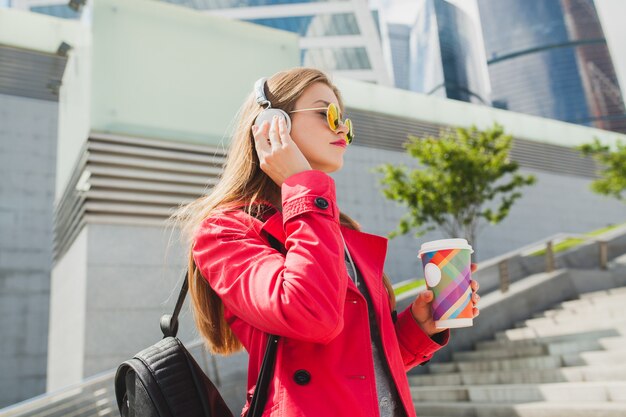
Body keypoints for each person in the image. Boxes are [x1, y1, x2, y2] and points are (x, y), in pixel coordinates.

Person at [175, 67, 480, 417]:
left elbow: (353, 363)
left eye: (345, 122)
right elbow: (310, 316)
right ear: (274, 124)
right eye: (327, 114)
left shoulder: (328, 222)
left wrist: (419, 327)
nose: (341, 130)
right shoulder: (226, 230)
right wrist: (302, 185)